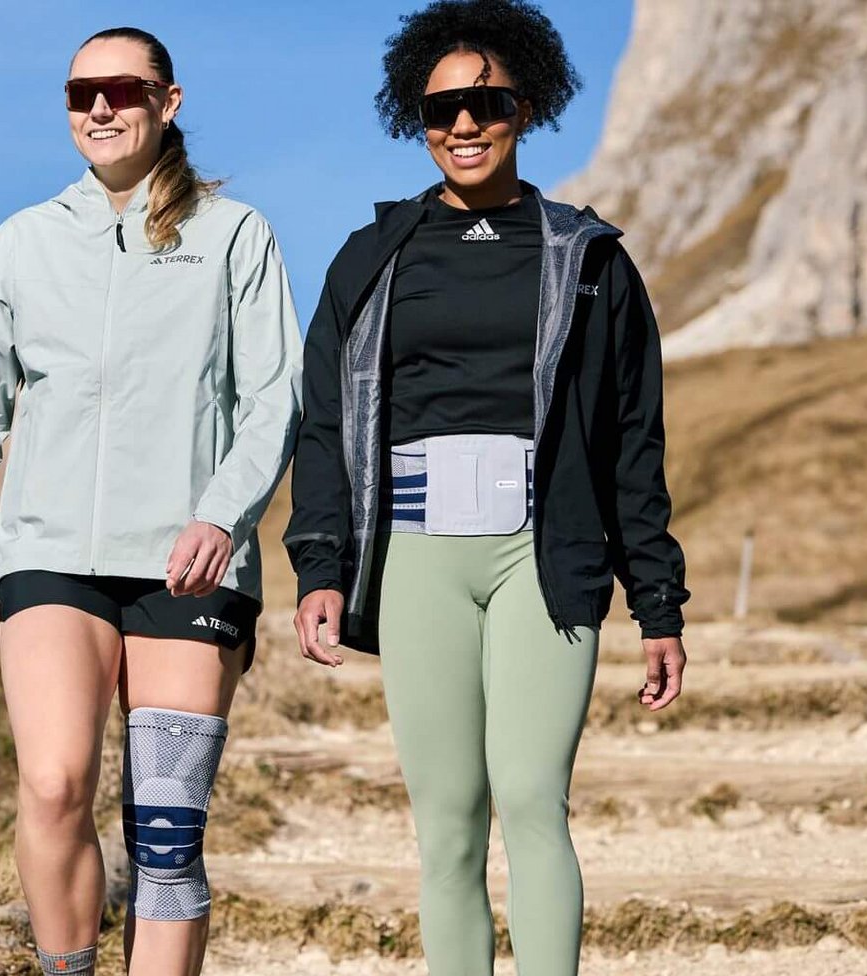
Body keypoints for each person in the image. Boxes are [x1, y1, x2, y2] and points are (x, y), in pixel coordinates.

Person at [282, 2, 690, 973]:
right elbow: (326, 426)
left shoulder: (589, 260)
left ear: (526, 105)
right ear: (414, 120)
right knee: (450, 823)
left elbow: (634, 440)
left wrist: (659, 601)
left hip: (543, 557)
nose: (463, 125)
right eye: (440, 110)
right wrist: (321, 565)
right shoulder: (371, 260)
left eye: (487, 102)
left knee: (532, 796)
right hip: (419, 558)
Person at [0, 26, 300, 976]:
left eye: (124, 90)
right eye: (80, 92)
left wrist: (223, 514)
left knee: (166, 830)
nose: (99, 107)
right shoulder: (20, 245)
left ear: (168, 103)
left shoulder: (233, 236)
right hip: (52, 561)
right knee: (52, 787)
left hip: (188, 564)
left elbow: (276, 399)